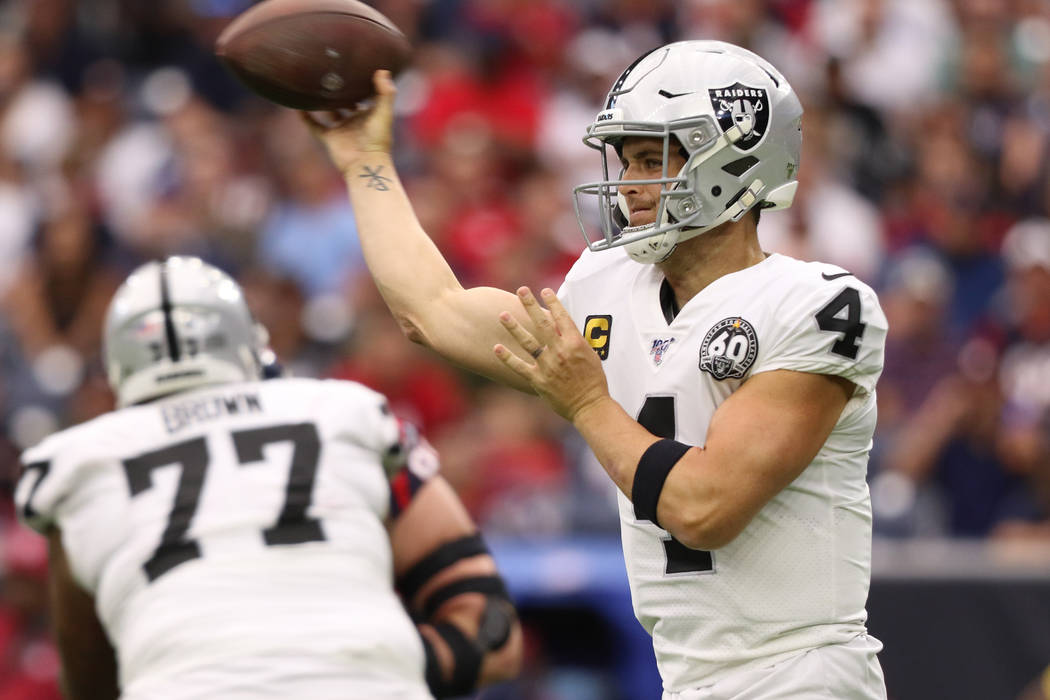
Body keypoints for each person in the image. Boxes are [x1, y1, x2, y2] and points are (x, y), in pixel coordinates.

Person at [308, 40, 888, 699]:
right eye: (627, 159)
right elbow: (433, 311)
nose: (631, 185)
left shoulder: (816, 304)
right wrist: (365, 162)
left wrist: (586, 402)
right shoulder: (609, 286)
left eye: (655, 159)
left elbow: (704, 509)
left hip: (801, 674)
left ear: (737, 156)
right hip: (689, 676)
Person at [13, 256, 522, 700]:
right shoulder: (343, 413)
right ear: (248, 344)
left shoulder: (82, 462)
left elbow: (92, 682)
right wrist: (361, 665)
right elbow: (490, 631)